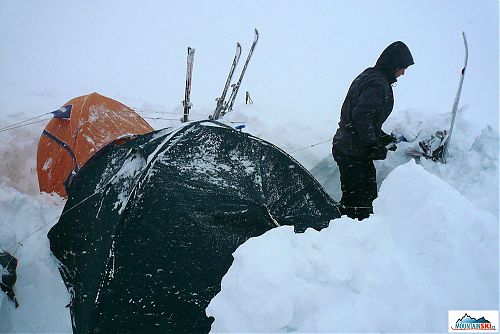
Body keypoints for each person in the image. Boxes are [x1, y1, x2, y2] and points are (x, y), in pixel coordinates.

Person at [332, 41, 414, 220]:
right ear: (394, 65)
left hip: (347, 147)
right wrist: (372, 144)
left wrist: (381, 138)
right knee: (361, 205)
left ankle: (347, 231)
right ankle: (350, 239)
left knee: (355, 200)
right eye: (402, 68)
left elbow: (364, 117)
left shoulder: (370, 75)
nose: (403, 73)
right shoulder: (378, 84)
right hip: (353, 152)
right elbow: (361, 116)